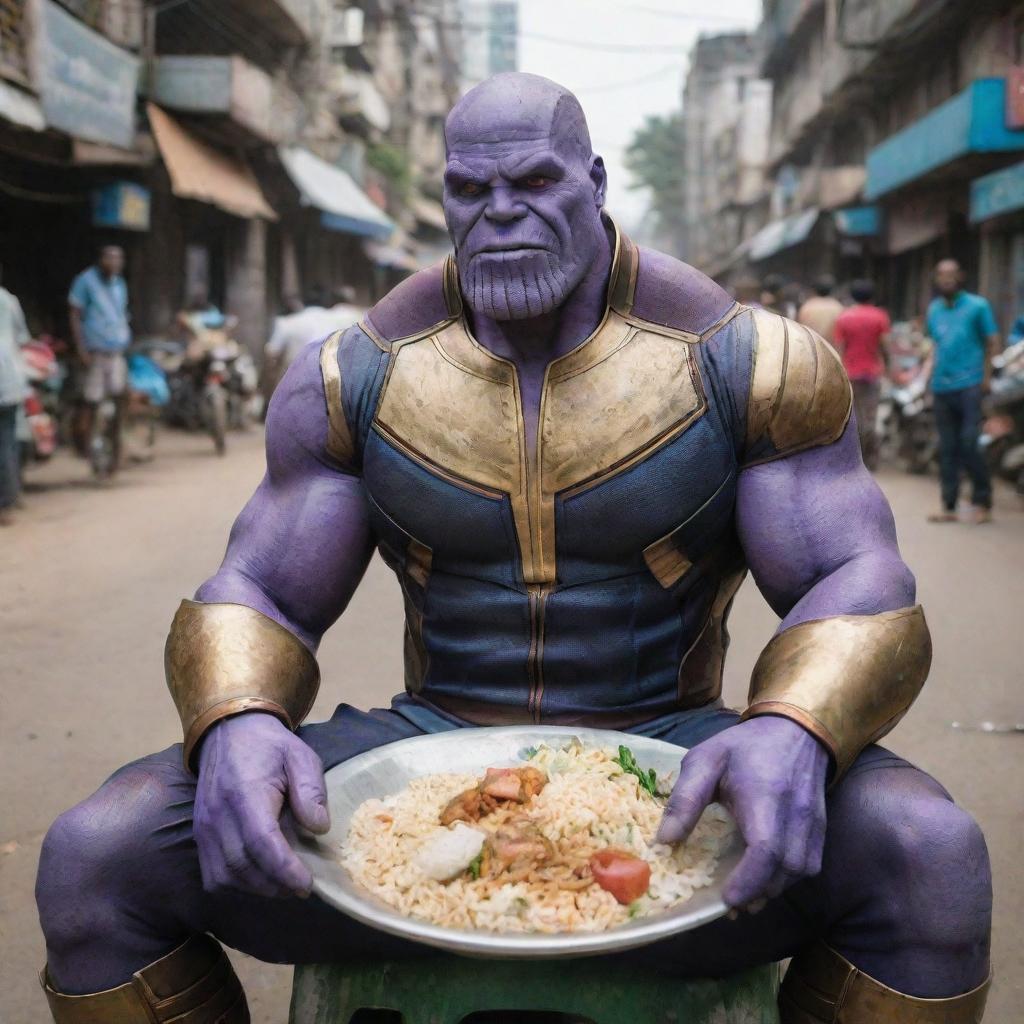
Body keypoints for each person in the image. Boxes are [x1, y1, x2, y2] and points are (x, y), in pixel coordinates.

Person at [36, 74, 990, 1024]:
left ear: (595, 182)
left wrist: (796, 725)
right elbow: (260, 588)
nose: (500, 214)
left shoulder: (751, 361)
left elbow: (856, 579)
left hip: (672, 741)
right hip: (424, 749)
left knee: (928, 855)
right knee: (98, 855)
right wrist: (235, 715)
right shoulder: (353, 373)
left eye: (534, 182)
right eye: (469, 190)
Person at [924, 259, 1001, 524]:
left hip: (970, 384)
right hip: (941, 386)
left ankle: (983, 501)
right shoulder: (933, 309)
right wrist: (927, 380)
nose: (946, 280)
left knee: (969, 443)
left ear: (961, 277)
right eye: (941, 275)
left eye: (951, 275)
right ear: (936, 279)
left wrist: (987, 378)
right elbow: (935, 346)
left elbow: (992, 341)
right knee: (947, 448)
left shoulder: (978, 306)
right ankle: (949, 505)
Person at [68, 246, 131, 470]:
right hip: (94, 351)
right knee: (92, 399)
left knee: (119, 396)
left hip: (116, 350)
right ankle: (84, 447)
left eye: (118, 258)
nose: (114, 262)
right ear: (100, 259)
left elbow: (121, 314)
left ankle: (116, 446)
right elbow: (75, 315)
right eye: (110, 257)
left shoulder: (119, 283)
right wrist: (81, 348)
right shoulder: (85, 281)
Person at [833, 279, 891, 470]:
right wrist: (890, 368)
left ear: (852, 296)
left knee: (852, 417)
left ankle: (853, 459)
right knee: (871, 417)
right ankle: (869, 459)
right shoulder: (880, 316)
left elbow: (839, 348)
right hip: (872, 374)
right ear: (872, 296)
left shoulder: (844, 318)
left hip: (849, 373)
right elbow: (885, 346)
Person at [0, 266, 30, 525]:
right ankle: (8, 500)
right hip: (10, 380)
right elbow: (22, 338)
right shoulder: (10, 301)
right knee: (7, 441)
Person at [797, 274, 844, 345]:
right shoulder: (838, 307)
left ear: (815, 290)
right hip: (831, 348)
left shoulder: (808, 306)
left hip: (811, 346)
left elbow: (800, 328)